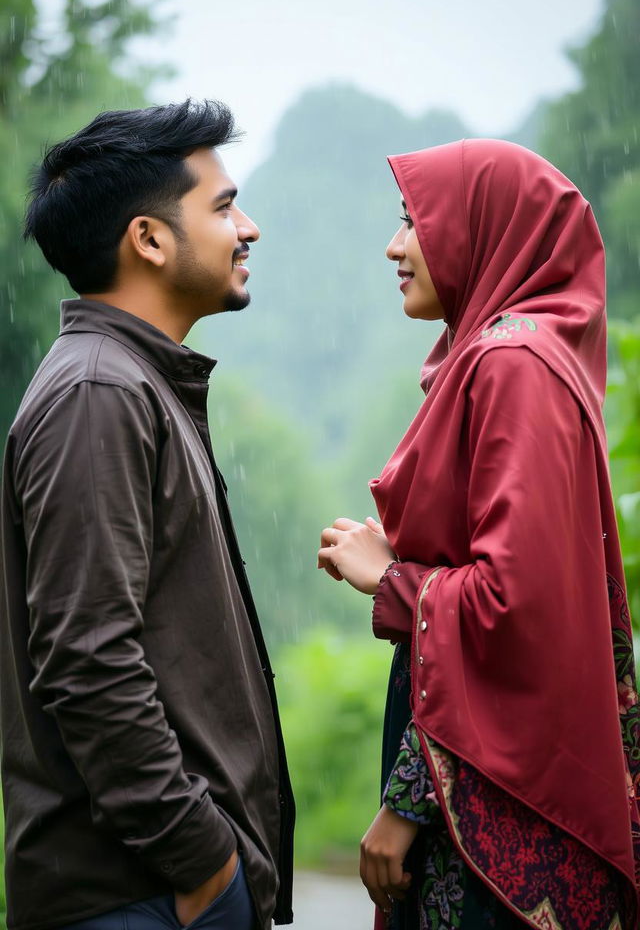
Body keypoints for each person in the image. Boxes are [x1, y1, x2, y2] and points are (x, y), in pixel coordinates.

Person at [318, 138, 640, 929]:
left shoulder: (511, 364)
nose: (395, 246)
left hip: (498, 808)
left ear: (485, 229)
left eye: (413, 222)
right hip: (503, 774)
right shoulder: (520, 354)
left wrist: (389, 580)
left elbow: (512, 607)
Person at [0, 99, 295, 930]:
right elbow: (88, 660)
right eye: (223, 205)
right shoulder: (100, 393)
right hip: (138, 896)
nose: (249, 228)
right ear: (151, 239)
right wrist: (204, 860)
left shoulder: (132, 383)